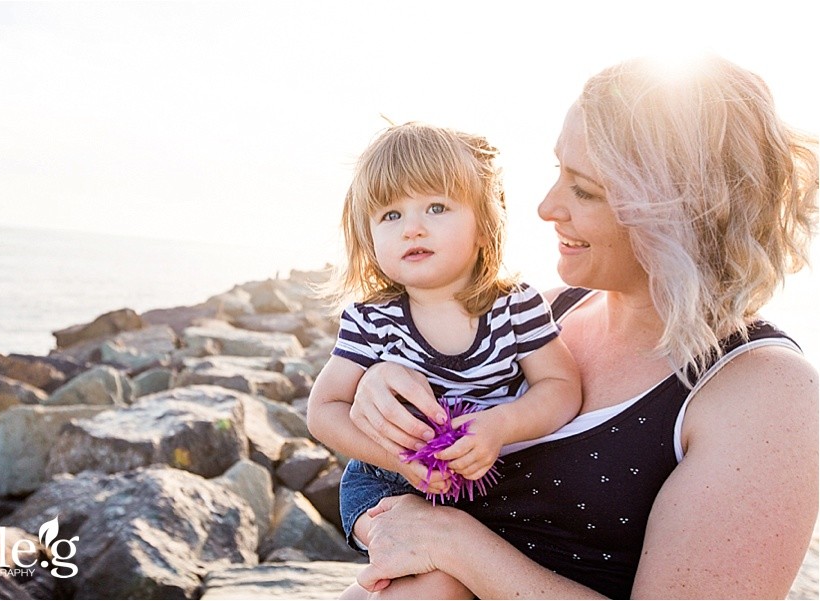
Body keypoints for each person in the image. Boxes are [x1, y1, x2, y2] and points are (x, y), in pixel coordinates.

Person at [344, 55, 819, 599]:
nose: (548, 208)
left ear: (681, 211)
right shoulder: (542, 315)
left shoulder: (767, 393)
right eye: (557, 173)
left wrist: (455, 544)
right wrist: (381, 385)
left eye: (585, 190)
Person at [306, 122, 582, 598]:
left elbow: (561, 387)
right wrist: (399, 459)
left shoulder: (514, 306)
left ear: (483, 227)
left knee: (459, 574)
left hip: (491, 487)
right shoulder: (373, 318)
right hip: (384, 483)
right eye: (390, 215)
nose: (412, 226)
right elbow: (323, 409)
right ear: (368, 238)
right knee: (428, 581)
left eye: (436, 207)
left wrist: (500, 426)